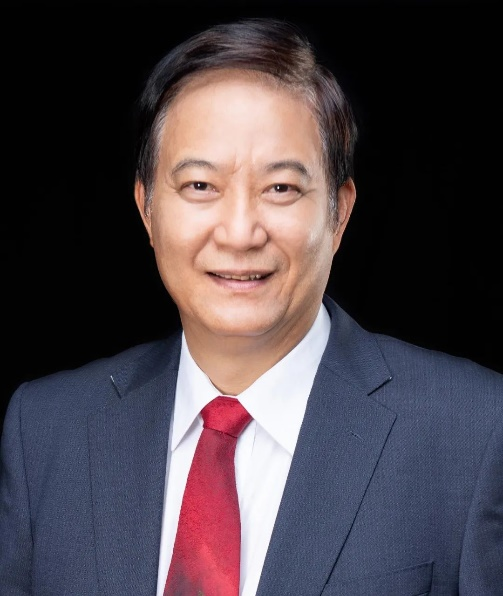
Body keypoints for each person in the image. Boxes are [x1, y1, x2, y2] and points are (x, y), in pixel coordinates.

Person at [1, 16, 502, 596]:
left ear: (339, 213)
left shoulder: (475, 431)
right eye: (200, 186)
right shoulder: (47, 430)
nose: (240, 233)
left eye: (280, 188)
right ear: (147, 209)